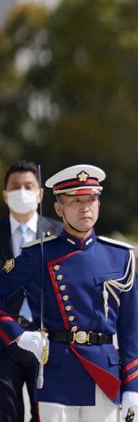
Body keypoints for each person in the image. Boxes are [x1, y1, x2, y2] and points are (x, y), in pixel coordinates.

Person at [0, 164, 138, 421]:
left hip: (103, 373)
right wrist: (19, 336)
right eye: (75, 200)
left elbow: (129, 327)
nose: (85, 207)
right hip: (57, 371)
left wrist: (132, 385)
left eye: (91, 199)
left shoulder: (120, 256)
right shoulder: (38, 254)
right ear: (58, 208)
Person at [0, 160, 62, 422]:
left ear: (40, 194)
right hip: (3, 342)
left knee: (45, 415)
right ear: (5, 195)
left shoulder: (59, 234)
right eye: (15, 187)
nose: (22, 192)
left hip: (47, 343)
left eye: (28, 186)